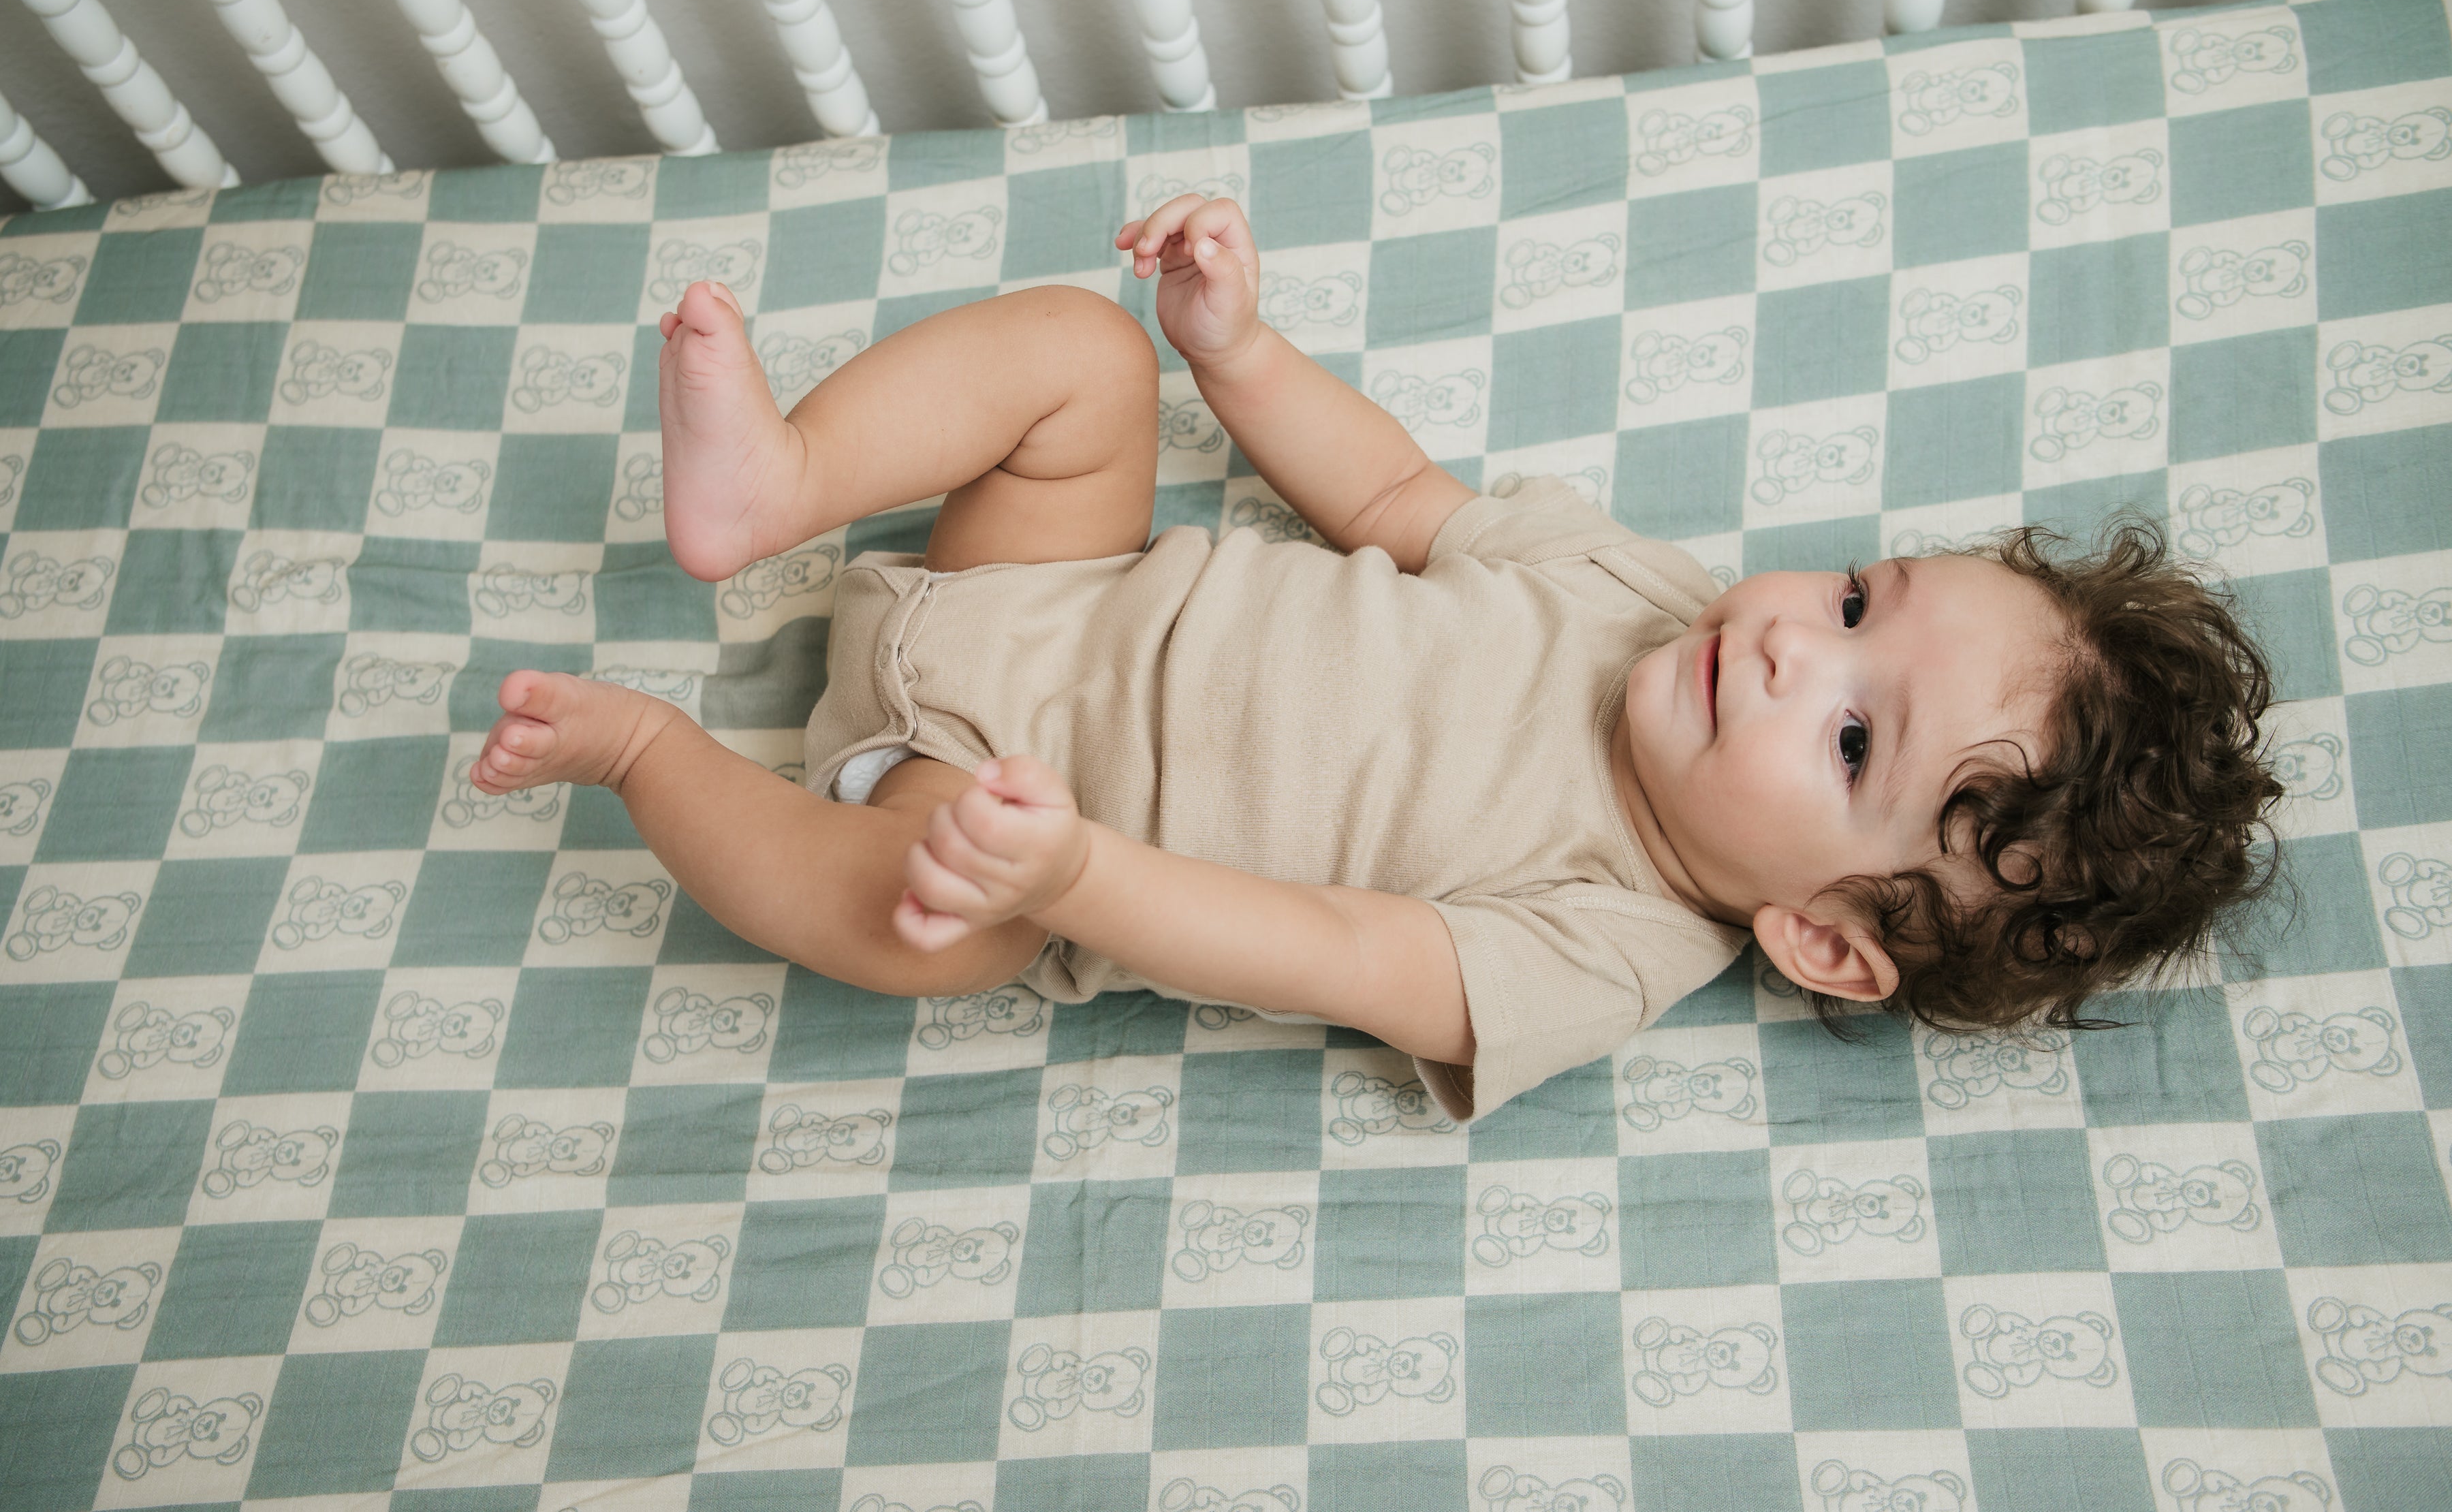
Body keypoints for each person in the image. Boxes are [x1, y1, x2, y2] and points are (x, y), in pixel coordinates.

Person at [469, 195, 2284, 1122]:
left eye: (1856, 739)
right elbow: (1399, 494)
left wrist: (1079, 865)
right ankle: (770, 485)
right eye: (1864, 600)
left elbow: (1338, 947)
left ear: (1819, 930)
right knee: (1081, 362)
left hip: (987, 811)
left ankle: (647, 756)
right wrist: (1239, 354)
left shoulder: (1610, 946)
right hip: (1056, 578)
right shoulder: (1640, 586)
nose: (1796, 644)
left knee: (938, 933)